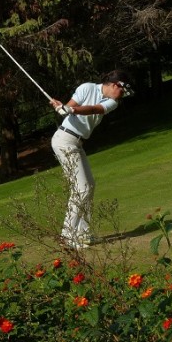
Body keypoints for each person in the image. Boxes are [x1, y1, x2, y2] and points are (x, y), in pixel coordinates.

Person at [49, 70, 133, 249]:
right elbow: (69, 108)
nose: (122, 94)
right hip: (64, 141)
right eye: (122, 90)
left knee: (89, 186)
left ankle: (83, 234)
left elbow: (94, 109)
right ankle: (67, 235)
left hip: (77, 143)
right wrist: (61, 107)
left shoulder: (112, 102)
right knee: (82, 188)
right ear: (114, 84)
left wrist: (71, 109)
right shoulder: (87, 88)